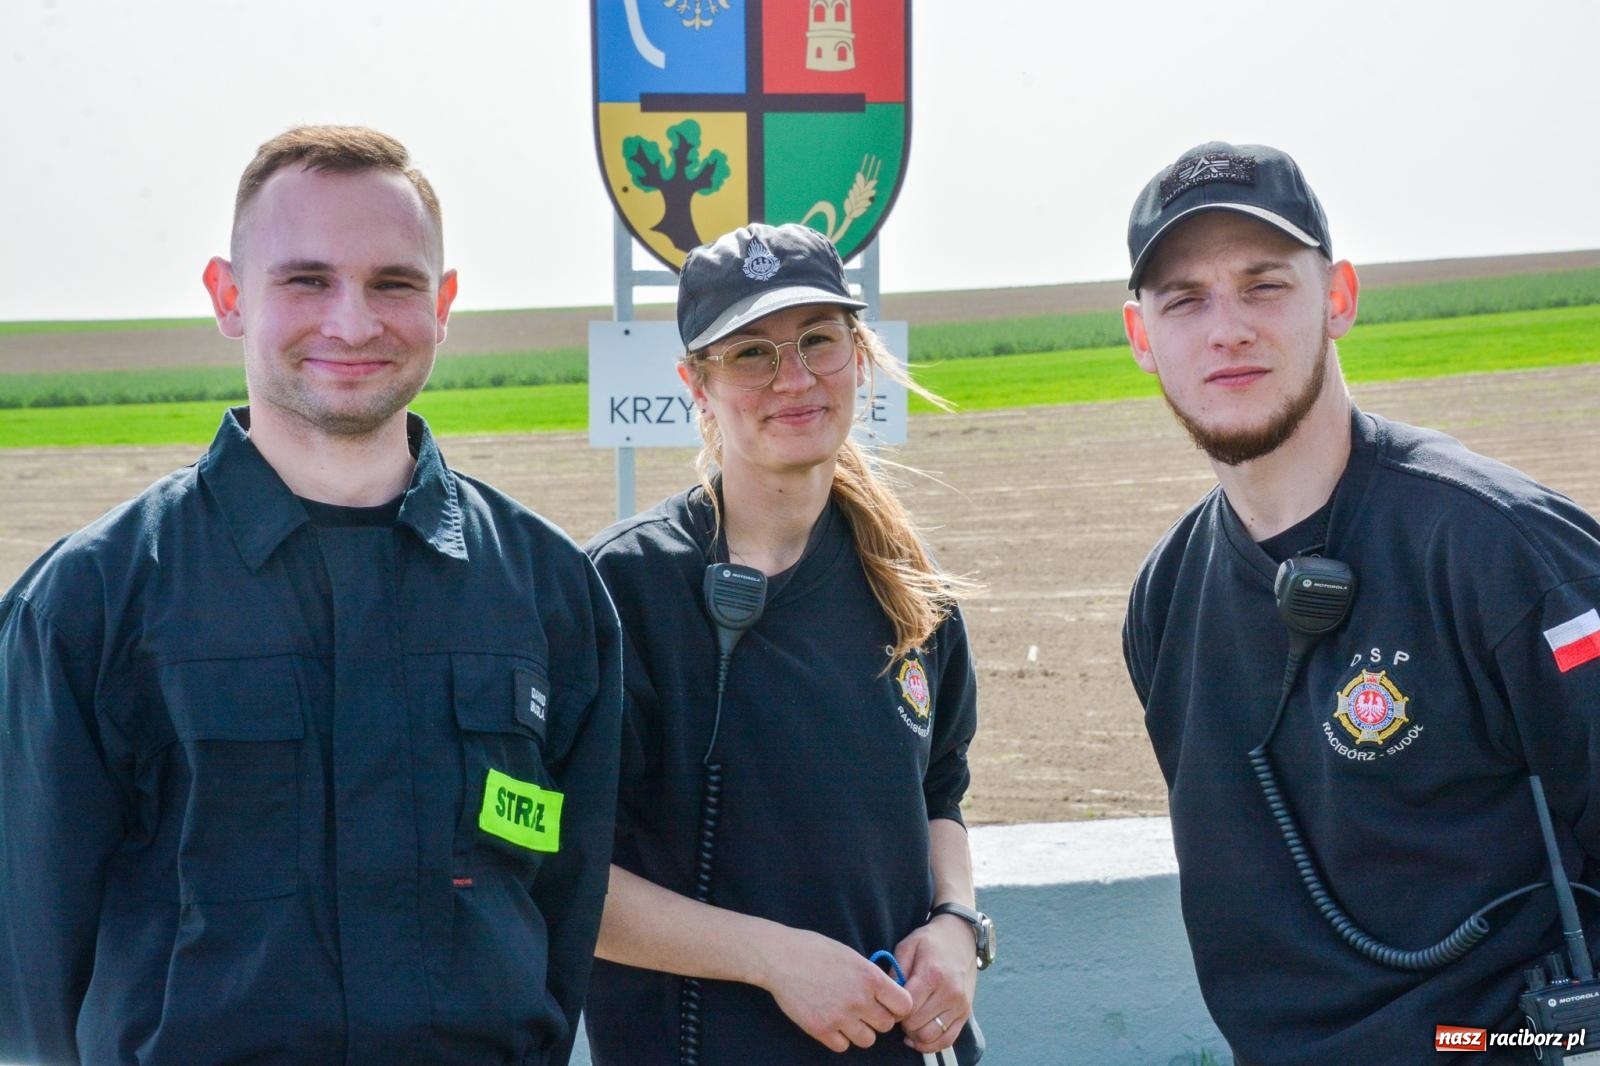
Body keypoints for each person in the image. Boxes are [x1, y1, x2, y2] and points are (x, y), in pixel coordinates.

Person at [0, 125, 621, 1066]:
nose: (353, 321)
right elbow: (33, 978)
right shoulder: (89, 605)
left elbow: (564, 911)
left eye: (394, 283)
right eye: (306, 280)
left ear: (444, 304)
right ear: (229, 297)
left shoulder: (549, 591)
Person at [1121, 140, 1600, 1064]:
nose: (1227, 329)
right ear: (1142, 337)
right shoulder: (1164, 599)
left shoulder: (1498, 551)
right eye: (1186, 299)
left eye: (1265, 285)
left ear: (1337, 298)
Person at [582, 222, 991, 1064]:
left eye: (818, 341)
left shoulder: (911, 583)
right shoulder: (625, 591)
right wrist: (774, 961)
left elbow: (940, 794)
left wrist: (955, 926)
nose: (794, 378)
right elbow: (570, 881)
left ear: (861, 356)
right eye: (751, 355)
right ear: (695, 383)